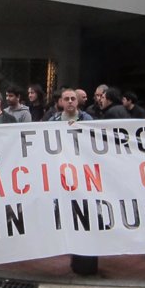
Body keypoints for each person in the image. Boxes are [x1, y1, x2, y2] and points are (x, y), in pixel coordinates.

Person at [49, 88, 96, 275]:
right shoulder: (51, 122)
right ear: (60, 102)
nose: (70, 102)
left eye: (72, 99)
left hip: (82, 173)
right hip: (60, 172)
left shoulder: (88, 120)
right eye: (66, 99)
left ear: (77, 102)